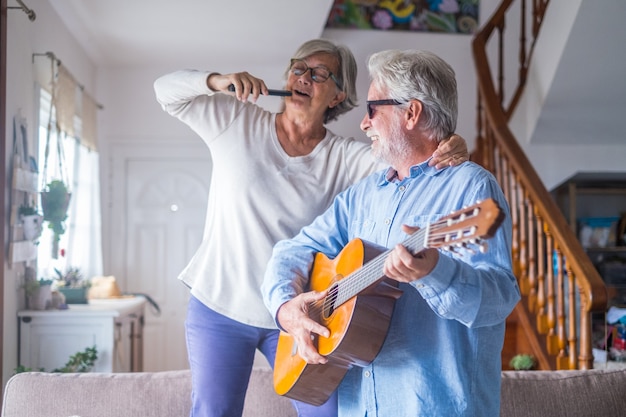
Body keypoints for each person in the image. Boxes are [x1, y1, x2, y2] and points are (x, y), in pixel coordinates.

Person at [154, 39, 468, 417]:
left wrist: (448, 142)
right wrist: (217, 80)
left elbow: (408, 154)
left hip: (300, 309)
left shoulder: (346, 157)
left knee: (329, 413)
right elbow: (165, 91)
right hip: (220, 304)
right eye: (298, 67)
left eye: (320, 74)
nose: (303, 77)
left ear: (338, 95)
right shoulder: (235, 120)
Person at [262, 49, 521, 417]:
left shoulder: (471, 186)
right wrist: (285, 307)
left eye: (372, 110)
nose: (364, 124)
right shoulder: (361, 196)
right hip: (361, 407)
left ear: (411, 113)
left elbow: (499, 298)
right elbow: (292, 251)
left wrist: (436, 272)